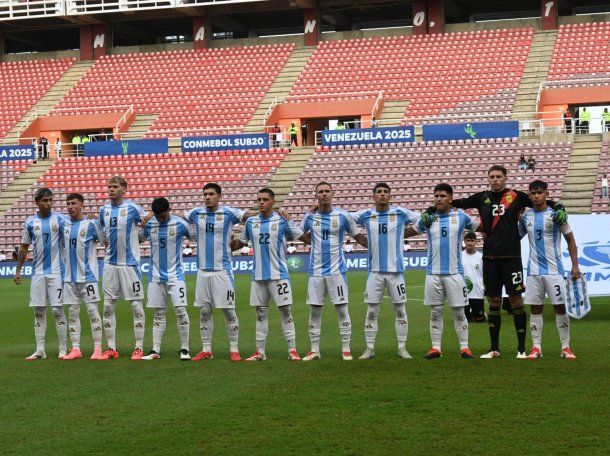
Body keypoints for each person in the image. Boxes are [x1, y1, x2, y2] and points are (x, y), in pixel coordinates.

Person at [420, 164, 567, 359]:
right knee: (494, 301)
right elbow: (452, 202)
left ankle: (522, 349)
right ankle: (494, 348)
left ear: (506, 178)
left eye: (499, 176)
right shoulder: (481, 197)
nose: (495, 179)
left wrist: (559, 206)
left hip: (512, 258)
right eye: (492, 177)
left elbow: (540, 201)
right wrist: (431, 209)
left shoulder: (517, 196)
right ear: (488, 179)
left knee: (516, 301)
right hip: (489, 258)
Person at [233, 188, 306, 361]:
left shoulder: (282, 221)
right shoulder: (251, 223)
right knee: (260, 314)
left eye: (265, 199)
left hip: (279, 275)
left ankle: (292, 350)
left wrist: (297, 218)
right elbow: (239, 244)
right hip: (258, 277)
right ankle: (260, 351)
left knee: (286, 312)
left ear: (273, 201)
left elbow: (304, 237)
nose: (261, 202)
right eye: (259, 199)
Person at [407, 183, 477, 359]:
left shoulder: (461, 217)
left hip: (455, 273)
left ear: (451, 198)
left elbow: (481, 227)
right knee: (436, 312)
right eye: (436, 196)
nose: (439, 199)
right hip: (433, 273)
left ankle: (464, 347)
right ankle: (436, 348)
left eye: (443, 196)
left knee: (459, 312)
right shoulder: (428, 218)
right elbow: (408, 232)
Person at [299, 182, 368, 361]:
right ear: (316, 195)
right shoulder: (309, 217)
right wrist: (312, 242)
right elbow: (297, 233)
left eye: (327, 191)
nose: (324, 194)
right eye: (320, 192)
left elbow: (358, 237)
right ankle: (314, 350)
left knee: (342, 310)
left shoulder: (343, 216)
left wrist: (375, 246)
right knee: (314, 311)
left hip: (337, 272)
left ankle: (346, 349)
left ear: (332, 194)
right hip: (315, 272)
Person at [351, 183, 420, 360]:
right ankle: (370, 348)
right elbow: (344, 219)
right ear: (373, 196)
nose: (382, 195)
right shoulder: (366, 215)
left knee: (400, 310)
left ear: (390, 196)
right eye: (379, 192)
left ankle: (402, 348)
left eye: (385, 192)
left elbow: (422, 220)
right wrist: (359, 238)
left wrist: (405, 233)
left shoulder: (400, 213)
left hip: (396, 272)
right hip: (374, 272)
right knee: (372, 311)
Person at [186, 182, 249, 362]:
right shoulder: (196, 213)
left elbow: (251, 217)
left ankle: (234, 349)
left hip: (223, 270)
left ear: (219, 196)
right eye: (205, 194)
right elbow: (175, 215)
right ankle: (207, 349)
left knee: (229, 311)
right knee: (204, 311)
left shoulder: (229, 212)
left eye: (211, 194)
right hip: (203, 271)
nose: (207, 197)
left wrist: (277, 212)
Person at [520, 180, 580, 360]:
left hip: (554, 271)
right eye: (533, 193)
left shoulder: (557, 215)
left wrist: (575, 265)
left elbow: (570, 240)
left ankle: (566, 347)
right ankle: (536, 347)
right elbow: (514, 238)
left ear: (547, 193)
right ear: (529, 195)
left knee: (560, 307)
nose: (537, 196)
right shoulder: (525, 218)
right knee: (535, 309)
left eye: (540, 192)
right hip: (534, 272)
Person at [14, 188, 68, 360]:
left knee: (57, 310)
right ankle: (40, 350)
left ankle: (63, 349)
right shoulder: (30, 223)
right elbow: (23, 248)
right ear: (36, 202)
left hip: (57, 272)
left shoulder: (59, 219)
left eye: (51, 200)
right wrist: (18, 271)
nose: (49, 203)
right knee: (39, 311)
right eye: (45, 200)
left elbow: (76, 224)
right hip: (37, 273)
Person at [98, 176, 147, 360]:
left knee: (135, 305)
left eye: (115, 186)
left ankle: (139, 347)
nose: (111, 189)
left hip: (130, 265)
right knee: (108, 305)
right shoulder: (104, 210)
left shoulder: (133, 208)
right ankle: (111, 348)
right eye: (109, 186)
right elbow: (103, 233)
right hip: (110, 264)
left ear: (124, 189)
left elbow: (145, 225)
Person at [140, 197, 193, 361]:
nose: (160, 219)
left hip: (175, 275)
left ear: (169, 210)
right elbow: (139, 237)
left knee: (181, 310)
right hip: (155, 276)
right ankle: (155, 350)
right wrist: (145, 219)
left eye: (162, 216)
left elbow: (195, 236)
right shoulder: (150, 223)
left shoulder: (180, 224)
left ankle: (185, 348)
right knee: (159, 313)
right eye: (157, 216)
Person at [60, 193, 104, 360]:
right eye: (68, 204)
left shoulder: (91, 225)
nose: (70, 206)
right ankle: (76, 349)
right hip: (69, 278)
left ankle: (98, 348)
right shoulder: (64, 225)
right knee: (72, 312)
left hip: (88, 277)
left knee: (93, 312)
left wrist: (97, 218)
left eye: (74, 203)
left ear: (82, 205)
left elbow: (104, 239)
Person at [462, 231, 485, 323]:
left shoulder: (481, 257)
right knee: (466, 320)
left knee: (479, 320)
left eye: (472, 241)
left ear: (476, 242)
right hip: (463, 293)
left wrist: (485, 287)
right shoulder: (459, 256)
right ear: (464, 241)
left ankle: (482, 314)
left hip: (478, 292)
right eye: (468, 240)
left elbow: (485, 274)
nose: (470, 243)